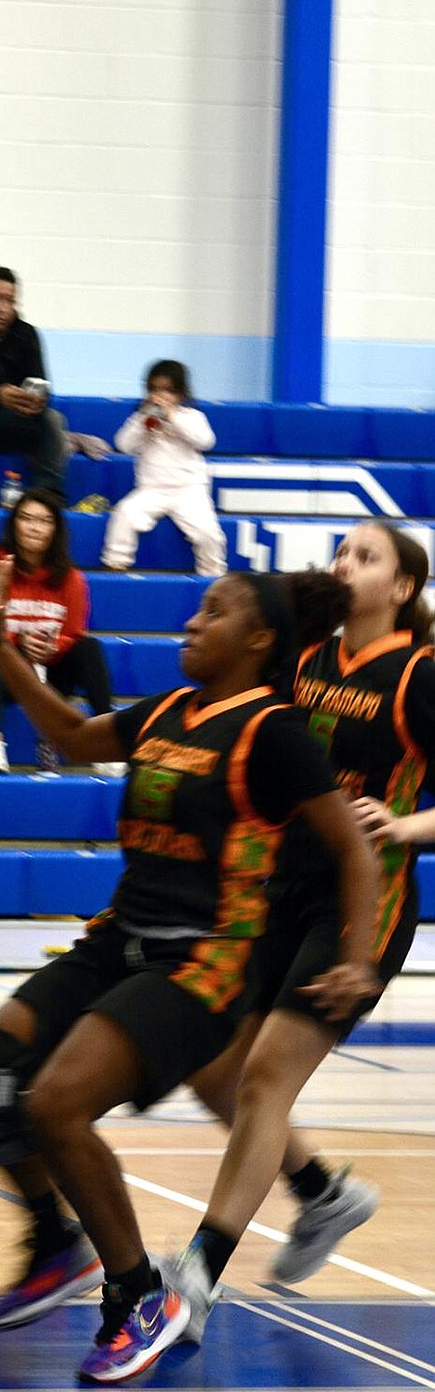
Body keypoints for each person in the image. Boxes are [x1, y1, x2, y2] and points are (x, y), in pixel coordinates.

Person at [0, 564, 377, 1386]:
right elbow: (74, 741)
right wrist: (6, 656)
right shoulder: (173, 712)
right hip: (120, 939)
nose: (190, 622)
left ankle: (140, 1296)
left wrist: (356, 959)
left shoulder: (274, 733)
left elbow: (353, 847)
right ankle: (52, 1244)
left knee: (57, 1104)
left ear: (258, 639)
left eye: (212, 612)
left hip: (204, 961)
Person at [167, 523, 435, 1340]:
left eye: (368, 556)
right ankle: (323, 1194)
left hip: (362, 902)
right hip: (277, 888)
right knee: (211, 1071)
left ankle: (199, 1273)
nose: (347, 563)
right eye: (342, 552)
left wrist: (404, 825)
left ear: (401, 589)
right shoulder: (304, 659)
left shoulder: (419, 676)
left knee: (262, 1081)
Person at [0, 488, 120, 777]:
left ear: (55, 530)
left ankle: (106, 745)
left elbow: (73, 633)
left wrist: (52, 647)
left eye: (44, 520)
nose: (35, 527)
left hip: (50, 672)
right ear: (14, 525)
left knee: (89, 648)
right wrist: (17, 644)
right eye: (26, 518)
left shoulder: (72, 579)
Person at [0, 268, 108, 496]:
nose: (0, 307)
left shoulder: (27, 334)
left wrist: (35, 403)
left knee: (53, 419)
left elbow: (41, 384)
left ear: (15, 305)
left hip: (12, 421)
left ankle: (48, 497)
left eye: (8, 300)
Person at [101, 359, 226, 578]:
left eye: (168, 390)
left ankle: (212, 575)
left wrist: (172, 417)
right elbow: (123, 444)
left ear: (181, 393)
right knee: (125, 514)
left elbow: (205, 441)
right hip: (151, 490)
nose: (160, 396)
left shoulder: (192, 417)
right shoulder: (141, 418)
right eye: (155, 389)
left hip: (189, 491)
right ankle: (115, 566)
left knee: (209, 534)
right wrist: (143, 424)